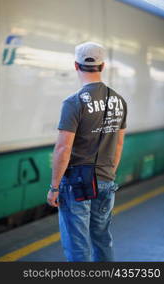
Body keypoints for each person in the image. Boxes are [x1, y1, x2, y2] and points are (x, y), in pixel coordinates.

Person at [47, 41, 127, 262]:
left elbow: (63, 148)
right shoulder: (118, 101)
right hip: (106, 179)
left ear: (76, 66)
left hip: (77, 183)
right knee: (102, 239)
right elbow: (119, 144)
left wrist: (54, 187)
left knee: (78, 245)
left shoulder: (73, 103)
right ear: (102, 66)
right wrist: (108, 175)